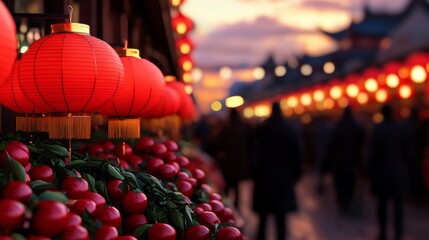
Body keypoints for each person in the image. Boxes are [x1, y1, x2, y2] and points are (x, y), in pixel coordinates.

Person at [252, 102, 302, 240]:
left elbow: (254, 152)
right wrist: (295, 175)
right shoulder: (289, 129)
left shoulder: (262, 128)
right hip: (283, 178)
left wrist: (255, 173)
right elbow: (297, 154)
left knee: (263, 217)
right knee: (281, 218)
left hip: (264, 177)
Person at [367, 104, 408, 240]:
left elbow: (373, 153)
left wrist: (369, 170)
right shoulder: (400, 129)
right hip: (398, 172)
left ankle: (383, 232)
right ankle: (398, 233)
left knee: (382, 205)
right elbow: (407, 152)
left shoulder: (378, 130)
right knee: (398, 207)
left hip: (382, 173)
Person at [321, 106, 365, 214]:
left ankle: (342, 203)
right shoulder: (356, 127)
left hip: (339, 163)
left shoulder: (338, 126)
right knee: (349, 184)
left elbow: (332, 145)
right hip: (352, 162)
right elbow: (360, 145)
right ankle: (348, 202)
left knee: (340, 184)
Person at [214, 108, 253, 209]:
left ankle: (227, 205)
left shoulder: (227, 129)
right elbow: (251, 144)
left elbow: (217, 144)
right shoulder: (245, 127)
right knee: (237, 186)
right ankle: (236, 205)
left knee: (228, 185)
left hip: (228, 163)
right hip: (240, 162)